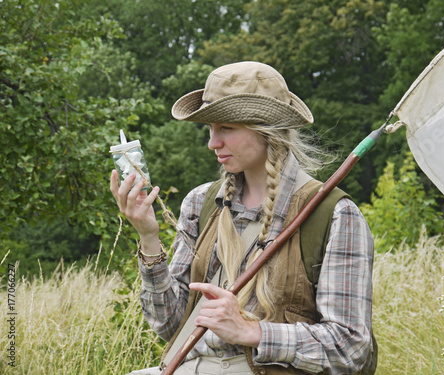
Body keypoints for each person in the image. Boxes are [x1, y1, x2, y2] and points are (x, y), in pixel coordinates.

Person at [111, 61, 376, 375]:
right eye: (210, 129)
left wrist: (253, 332)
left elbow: (351, 346)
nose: (213, 143)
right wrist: (148, 237)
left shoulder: (333, 215)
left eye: (226, 128)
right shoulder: (201, 203)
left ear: (267, 128)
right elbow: (171, 326)